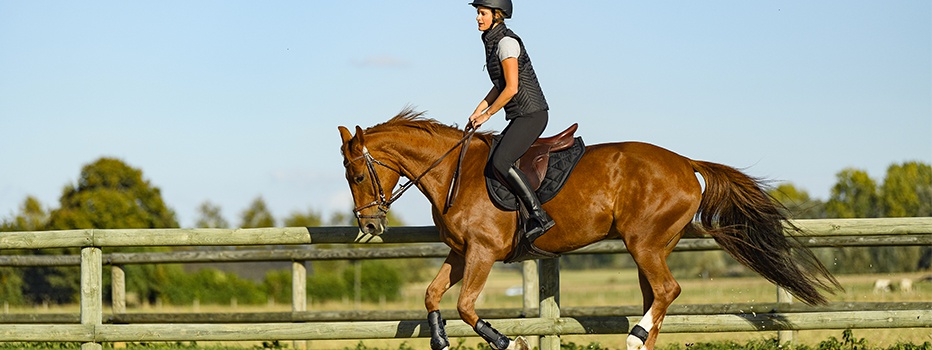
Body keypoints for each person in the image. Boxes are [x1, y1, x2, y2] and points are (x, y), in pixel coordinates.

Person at [467, 0, 554, 240]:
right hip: (521, 115)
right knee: (494, 154)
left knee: (502, 159)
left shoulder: (506, 43)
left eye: (482, 13)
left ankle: (539, 216)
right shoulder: (493, 42)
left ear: (497, 15)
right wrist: (477, 110)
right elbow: (499, 86)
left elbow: (512, 88)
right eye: (477, 13)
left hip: (532, 115)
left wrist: (488, 115)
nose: (477, 17)